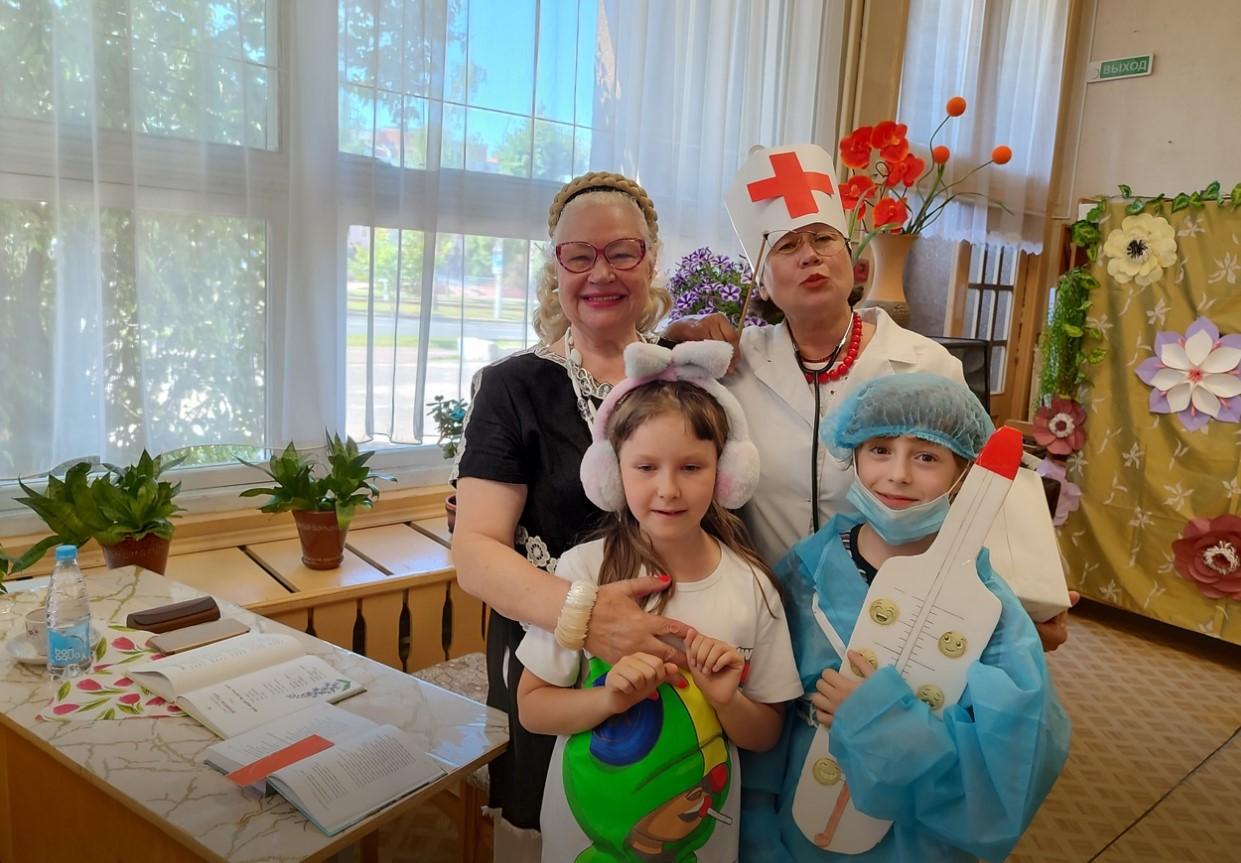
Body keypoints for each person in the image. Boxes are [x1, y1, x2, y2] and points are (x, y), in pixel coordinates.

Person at [667, 143, 1075, 650]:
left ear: (852, 259)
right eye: (787, 246)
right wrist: (674, 336)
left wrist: (1023, 597)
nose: (810, 255)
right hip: (763, 616)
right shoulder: (732, 367)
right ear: (762, 284)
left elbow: (980, 496)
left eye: (823, 238)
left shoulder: (927, 366)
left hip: (893, 621)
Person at [451, 172, 694, 855]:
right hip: (546, 660)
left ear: (650, 260)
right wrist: (587, 617)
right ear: (554, 267)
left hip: (672, 652)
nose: (600, 273)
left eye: (621, 252)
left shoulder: (689, 377)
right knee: (549, 828)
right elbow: (475, 550)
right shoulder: (512, 387)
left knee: (663, 818)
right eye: (578, 255)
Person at [740, 372, 1071, 862]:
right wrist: (757, 828)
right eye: (879, 449)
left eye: (926, 457)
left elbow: (1010, 778)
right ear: (853, 454)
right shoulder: (805, 573)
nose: (897, 474)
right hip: (793, 830)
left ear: (964, 473)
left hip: (915, 844)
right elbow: (766, 709)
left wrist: (880, 720)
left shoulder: (991, 612)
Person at [516, 340, 803, 862]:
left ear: (726, 473)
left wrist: (727, 699)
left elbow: (764, 734)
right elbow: (533, 709)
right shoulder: (583, 571)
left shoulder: (753, 587)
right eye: (646, 467)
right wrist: (609, 700)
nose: (668, 490)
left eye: (691, 467)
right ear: (612, 474)